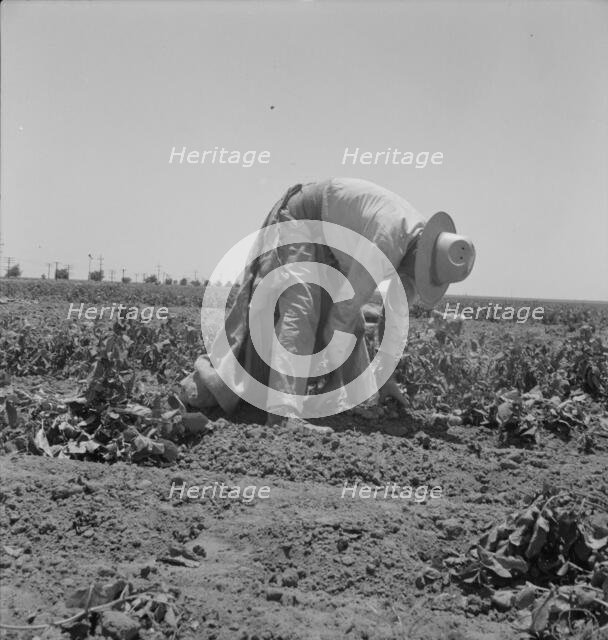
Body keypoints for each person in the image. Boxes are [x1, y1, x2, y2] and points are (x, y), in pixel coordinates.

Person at [179, 178, 475, 429]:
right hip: (301, 218)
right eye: (420, 273)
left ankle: (339, 401)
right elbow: (343, 312)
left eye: (422, 279)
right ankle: (283, 414)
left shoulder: (414, 257)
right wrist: (326, 361)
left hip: (330, 240)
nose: (414, 279)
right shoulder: (387, 239)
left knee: (352, 325)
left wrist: (386, 380)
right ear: (420, 254)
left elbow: (393, 320)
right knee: (301, 308)